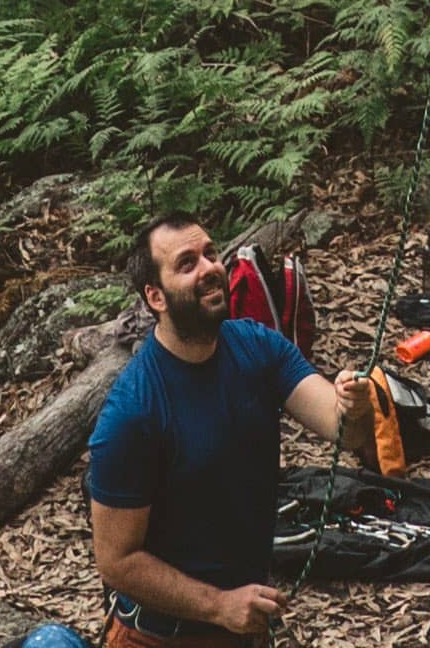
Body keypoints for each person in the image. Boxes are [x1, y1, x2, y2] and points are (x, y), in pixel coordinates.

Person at [83, 210, 362, 640]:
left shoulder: (258, 346)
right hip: (159, 636)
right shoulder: (133, 411)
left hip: (242, 621)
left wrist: (353, 405)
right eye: (187, 263)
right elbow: (116, 560)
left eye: (211, 253)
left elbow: (343, 429)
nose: (210, 268)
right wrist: (219, 606)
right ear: (155, 297)